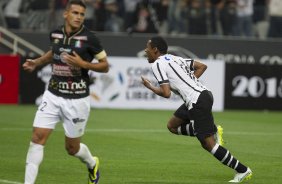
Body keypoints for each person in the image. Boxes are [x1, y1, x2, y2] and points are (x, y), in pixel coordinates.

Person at [141, 36, 252, 183]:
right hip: (203, 94)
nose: (145, 50)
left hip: (197, 101)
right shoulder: (175, 59)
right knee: (172, 126)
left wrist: (150, 87)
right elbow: (202, 66)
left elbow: (166, 93)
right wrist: (189, 83)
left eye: (147, 48)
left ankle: (242, 170)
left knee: (208, 144)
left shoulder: (157, 64)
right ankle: (211, 129)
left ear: (155, 50)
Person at [22, 1, 109, 184]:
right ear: (66, 14)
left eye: (82, 14)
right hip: (53, 94)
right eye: (75, 13)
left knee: (72, 148)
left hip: (77, 100)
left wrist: (83, 64)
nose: (78, 17)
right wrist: (37, 62)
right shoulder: (55, 33)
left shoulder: (90, 38)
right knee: (37, 137)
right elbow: (54, 51)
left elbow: (105, 66)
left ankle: (92, 163)